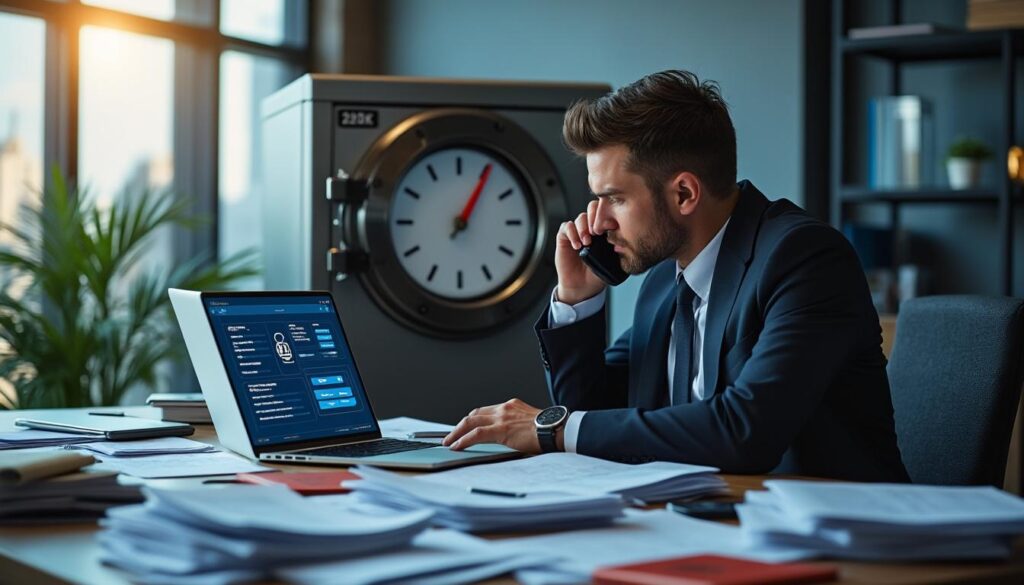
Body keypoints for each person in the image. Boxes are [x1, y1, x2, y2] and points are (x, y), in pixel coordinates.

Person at [442, 70, 909, 481]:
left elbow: (745, 430)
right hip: (709, 526)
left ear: (684, 192)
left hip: (842, 540)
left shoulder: (804, 259)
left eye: (615, 199)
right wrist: (578, 300)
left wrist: (550, 427)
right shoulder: (667, 280)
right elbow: (598, 419)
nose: (597, 221)